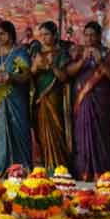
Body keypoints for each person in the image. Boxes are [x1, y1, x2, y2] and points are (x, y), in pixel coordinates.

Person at [67, 21, 110, 181]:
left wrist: (100, 61)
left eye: (92, 35)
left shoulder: (108, 53)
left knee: (100, 134)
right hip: (82, 99)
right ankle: (83, 171)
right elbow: (68, 72)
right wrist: (82, 61)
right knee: (82, 134)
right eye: (86, 35)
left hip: (101, 100)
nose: (88, 38)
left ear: (99, 36)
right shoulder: (77, 51)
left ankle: (100, 172)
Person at [0, 21, 31, 173]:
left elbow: (26, 75)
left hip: (15, 98)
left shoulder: (19, 53)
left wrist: (10, 76)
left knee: (19, 131)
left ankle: (22, 169)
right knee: (0, 134)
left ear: (11, 35)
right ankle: (1, 169)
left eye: (2, 34)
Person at [30, 21, 71, 171]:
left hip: (54, 97)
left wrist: (51, 66)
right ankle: (45, 165)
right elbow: (30, 74)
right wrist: (36, 66)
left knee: (57, 130)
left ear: (55, 35)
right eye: (41, 35)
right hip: (38, 98)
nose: (43, 38)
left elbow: (64, 77)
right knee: (40, 131)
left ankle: (59, 167)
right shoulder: (35, 53)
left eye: (46, 34)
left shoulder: (61, 54)